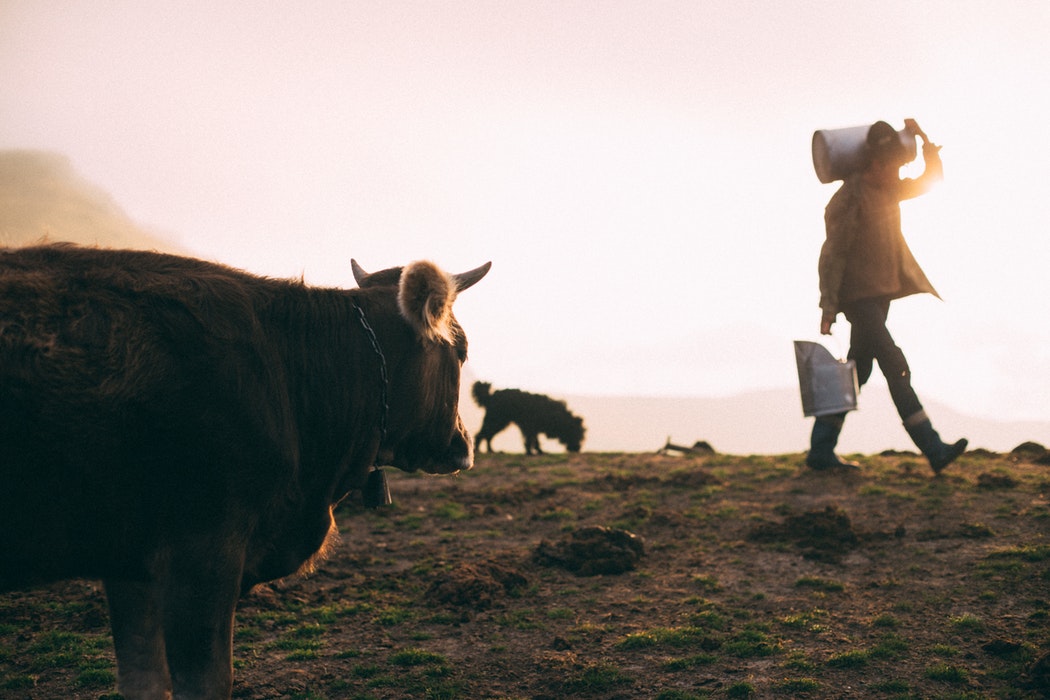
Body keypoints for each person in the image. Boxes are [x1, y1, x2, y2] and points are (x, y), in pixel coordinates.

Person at [808, 119, 967, 474]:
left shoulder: (889, 188)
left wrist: (926, 143)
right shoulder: (849, 199)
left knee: (858, 372)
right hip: (858, 299)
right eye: (891, 166)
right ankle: (932, 446)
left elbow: (931, 181)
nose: (896, 172)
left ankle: (820, 450)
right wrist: (828, 307)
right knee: (895, 364)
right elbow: (831, 256)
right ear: (874, 164)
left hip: (880, 296)